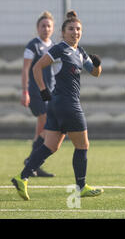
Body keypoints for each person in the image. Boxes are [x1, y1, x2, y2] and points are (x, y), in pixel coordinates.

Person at [11, 10, 104, 200]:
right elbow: (37, 67)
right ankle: (81, 186)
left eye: (78, 29)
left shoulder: (79, 52)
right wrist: (43, 90)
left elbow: (95, 73)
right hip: (67, 104)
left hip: (57, 106)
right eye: (71, 29)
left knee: (51, 146)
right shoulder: (59, 48)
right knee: (83, 145)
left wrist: (97, 63)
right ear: (63, 33)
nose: (75, 32)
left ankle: (22, 177)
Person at [21, 11, 56, 177]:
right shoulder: (33, 45)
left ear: (53, 28)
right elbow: (25, 69)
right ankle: (31, 161)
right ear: (37, 28)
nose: (46, 28)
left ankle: (33, 162)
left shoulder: (54, 46)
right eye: (43, 25)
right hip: (36, 92)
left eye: (49, 25)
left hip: (50, 92)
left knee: (41, 130)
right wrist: (25, 91)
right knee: (45, 124)